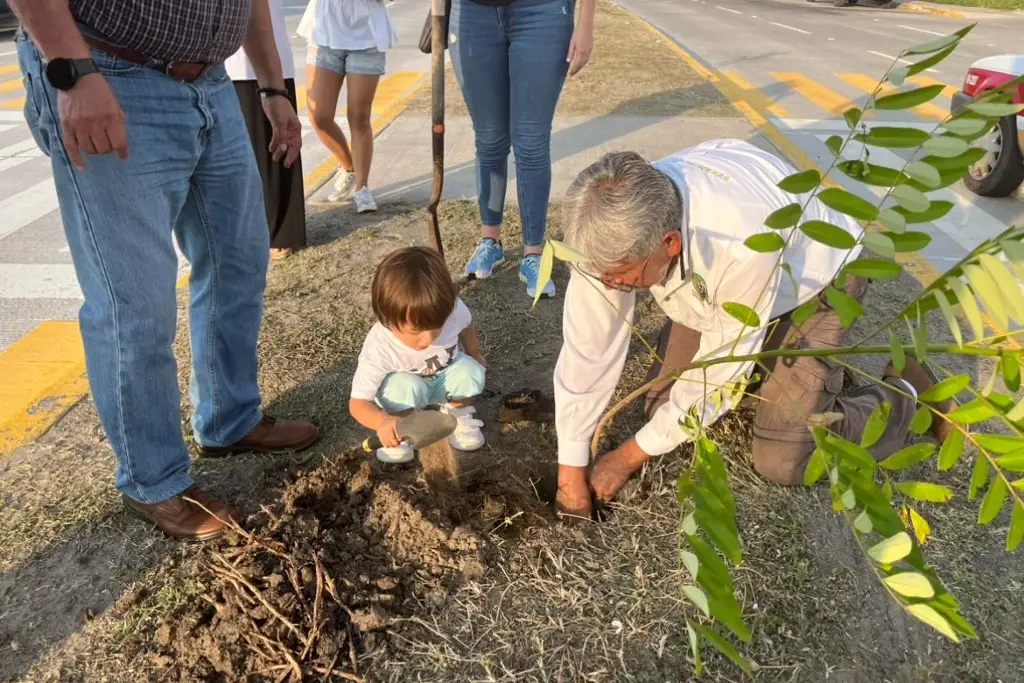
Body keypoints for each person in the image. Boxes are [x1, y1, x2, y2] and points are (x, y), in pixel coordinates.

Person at [12, 0, 320, 541]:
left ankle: (229, 420)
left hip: (213, 84)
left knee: (239, 262)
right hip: (109, 73)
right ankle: (152, 480)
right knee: (134, 301)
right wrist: (73, 71)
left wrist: (273, 88)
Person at [551, 141, 955, 517]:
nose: (610, 287)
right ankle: (785, 372)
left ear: (669, 244)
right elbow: (590, 345)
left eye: (621, 278)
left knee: (783, 458)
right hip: (727, 287)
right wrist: (571, 468)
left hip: (815, 282)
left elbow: (715, 380)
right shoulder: (610, 227)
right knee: (663, 405)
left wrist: (624, 458)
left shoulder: (740, 243)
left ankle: (910, 395)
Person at [451, 0, 596, 299]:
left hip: (542, 12)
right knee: (489, 139)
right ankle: (490, 242)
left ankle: (533, 253)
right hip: (472, 13)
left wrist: (586, 23)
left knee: (531, 142)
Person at [349, 247, 487, 463]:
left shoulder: (453, 310)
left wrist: (474, 352)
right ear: (387, 319)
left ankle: (458, 415)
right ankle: (401, 429)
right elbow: (357, 403)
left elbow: (467, 325)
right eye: (415, 331)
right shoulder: (379, 345)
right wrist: (382, 422)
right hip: (408, 389)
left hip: (445, 379)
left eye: (437, 326)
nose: (428, 339)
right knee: (401, 387)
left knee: (471, 371)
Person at [226, 0, 307, 261]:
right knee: (231, 157)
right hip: (216, 63)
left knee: (274, 147)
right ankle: (244, 225)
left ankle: (281, 230)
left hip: (265, 65)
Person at [299, 0, 395, 212]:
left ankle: (362, 188)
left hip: (367, 33)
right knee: (318, 115)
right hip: (324, 29)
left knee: (359, 116)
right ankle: (349, 166)